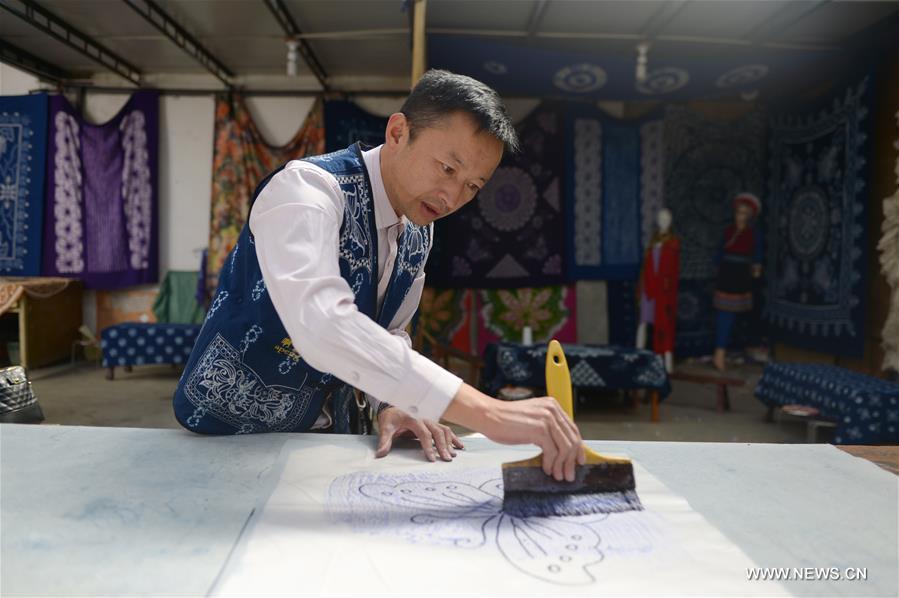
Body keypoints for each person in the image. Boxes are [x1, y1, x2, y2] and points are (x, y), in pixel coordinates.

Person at [172, 70, 585, 482]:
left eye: (473, 186)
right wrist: (488, 412)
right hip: (231, 431)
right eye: (446, 168)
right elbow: (322, 323)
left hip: (328, 441)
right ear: (399, 131)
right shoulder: (307, 192)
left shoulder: (420, 228)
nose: (453, 197)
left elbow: (387, 333)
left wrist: (394, 402)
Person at [712, 192, 763, 371]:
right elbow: (719, 252)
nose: (740, 216)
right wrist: (718, 268)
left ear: (749, 216)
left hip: (741, 276)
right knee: (725, 313)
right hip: (726, 275)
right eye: (738, 212)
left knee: (738, 315)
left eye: (744, 213)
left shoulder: (753, 234)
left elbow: (757, 254)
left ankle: (738, 349)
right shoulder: (728, 231)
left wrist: (756, 269)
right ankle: (719, 352)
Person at [636, 208, 680, 374]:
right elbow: (646, 265)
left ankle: (667, 360)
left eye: (666, 218)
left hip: (663, 291)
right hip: (649, 287)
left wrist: (668, 289)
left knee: (664, 324)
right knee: (644, 322)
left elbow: (673, 270)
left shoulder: (673, 242)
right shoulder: (653, 240)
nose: (663, 221)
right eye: (661, 218)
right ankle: (638, 354)